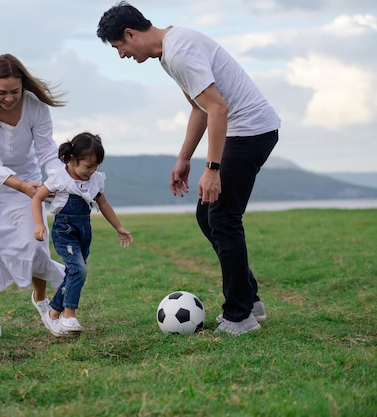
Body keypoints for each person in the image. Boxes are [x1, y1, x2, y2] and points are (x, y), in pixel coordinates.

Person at [97, 2, 280, 335]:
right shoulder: (169, 53)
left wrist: (212, 169)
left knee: (223, 217)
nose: (121, 55)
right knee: (207, 214)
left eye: (119, 47)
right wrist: (184, 158)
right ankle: (248, 298)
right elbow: (201, 108)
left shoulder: (179, 52)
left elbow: (218, 108)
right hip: (243, 130)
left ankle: (240, 316)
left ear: (130, 34)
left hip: (250, 130)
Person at [0, 53, 67, 341]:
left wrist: (57, 181)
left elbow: (47, 150)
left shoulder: (35, 107)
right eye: (2, 93)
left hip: (30, 177)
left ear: (23, 86)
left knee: (35, 242)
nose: (9, 98)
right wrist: (20, 186)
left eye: (15, 92)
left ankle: (40, 298)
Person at [32, 132, 133, 336]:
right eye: (88, 166)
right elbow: (37, 198)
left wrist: (118, 227)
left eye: (95, 167)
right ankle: (69, 315)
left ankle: (53, 313)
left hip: (84, 233)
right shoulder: (59, 178)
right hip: (65, 231)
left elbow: (103, 204)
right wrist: (39, 224)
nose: (92, 171)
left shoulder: (94, 180)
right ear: (72, 160)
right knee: (79, 270)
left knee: (73, 273)